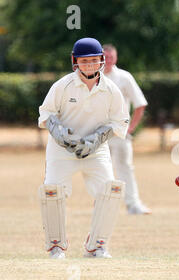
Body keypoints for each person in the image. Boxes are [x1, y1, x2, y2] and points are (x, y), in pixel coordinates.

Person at [37, 37, 130, 259]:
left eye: (93, 60)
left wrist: (98, 138)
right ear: (75, 61)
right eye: (84, 61)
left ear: (101, 61)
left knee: (111, 190)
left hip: (95, 150)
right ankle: (56, 245)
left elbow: (120, 122)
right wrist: (60, 134)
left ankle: (97, 245)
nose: (89, 65)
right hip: (62, 150)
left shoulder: (110, 89)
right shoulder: (62, 85)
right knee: (52, 192)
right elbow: (45, 113)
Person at [103, 44, 152, 215]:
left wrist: (131, 128)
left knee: (125, 167)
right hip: (98, 133)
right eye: (105, 57)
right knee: (101, 169)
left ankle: (133, 204)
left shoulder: (124, 77)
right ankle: (103, 205)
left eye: (111, 57)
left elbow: (140, 104)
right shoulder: (92, 77)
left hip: (120, 132)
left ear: (115, 58)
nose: (108, 60)